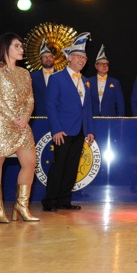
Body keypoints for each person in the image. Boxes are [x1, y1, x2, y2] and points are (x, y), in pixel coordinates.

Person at [0, 33, 39, 223]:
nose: (21, 49)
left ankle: (21, 206)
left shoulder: (24, 73)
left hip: (21, 123)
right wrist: (12, 117)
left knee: (30, 162)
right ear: (5, 47)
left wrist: (26, 116)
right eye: (17, 46)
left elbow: (30, 99)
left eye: (21, 46)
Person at [43, 32, 95, 212]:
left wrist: (89, 130)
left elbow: (87, 109)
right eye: (79, 57)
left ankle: (64, 200)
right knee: (59, 165)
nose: (82, 60)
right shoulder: (56, 78)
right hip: (63, 131)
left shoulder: (86, 82)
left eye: (84, 58)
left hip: (80, 130)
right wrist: (56, 129)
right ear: (69, 58)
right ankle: (50, 201)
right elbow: (50, 105)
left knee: (72, 167)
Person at [88, 45, 126, 116]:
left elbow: (120, 103)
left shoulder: (115, 82)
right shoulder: (88, 81)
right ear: (96, 66)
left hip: (110, 118)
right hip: (92, 118)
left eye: (106, 64)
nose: (104, 66)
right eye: (101, 64)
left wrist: (120, 119)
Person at [30, 40, 56, 116]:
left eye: (50, 56)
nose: (48, 59)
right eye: (45, 57)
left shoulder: (62, 76)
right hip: (38, 116)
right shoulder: (32, 76)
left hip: (58, 115)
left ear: (53, 58)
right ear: (40, 60)